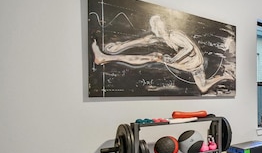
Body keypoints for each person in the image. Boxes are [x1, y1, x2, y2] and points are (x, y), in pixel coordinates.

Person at [92, 14, 233, 94]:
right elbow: (147, 40)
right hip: (195, 64)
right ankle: (117, 49)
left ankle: (106, 57)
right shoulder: (164, 37)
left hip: (191, 62)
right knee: (202, 87)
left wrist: (173, 59)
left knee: (154, 56)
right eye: (155, 25)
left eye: (157, 25)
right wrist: (224, 76)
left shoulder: (173, 35)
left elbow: (189, 48)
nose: (155, 28)